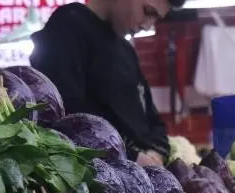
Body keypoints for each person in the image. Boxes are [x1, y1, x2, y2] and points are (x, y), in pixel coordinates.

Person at [30, 0, 185, 167]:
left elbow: (152, 118)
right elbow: (67, 114)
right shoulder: (68, 25)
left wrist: (157, 152)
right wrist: (131, 157)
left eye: (156, 18)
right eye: (147, 11)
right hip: (100, 175)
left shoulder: (127, 51)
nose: (147, 26)